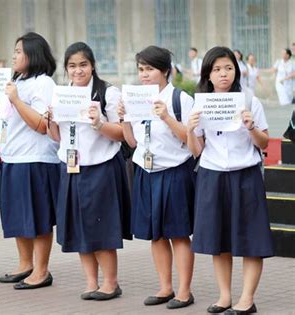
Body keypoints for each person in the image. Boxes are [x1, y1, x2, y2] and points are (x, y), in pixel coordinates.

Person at [187, 46, 274, 314]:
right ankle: (224, 296)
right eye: (216, 69)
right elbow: (196, 150)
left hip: (245, 175)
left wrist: (251, 128)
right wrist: (190, 129)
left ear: (236, 71)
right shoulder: (199, 103)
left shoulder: (249, 100)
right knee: (218, 238)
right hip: (212, 175)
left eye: (228, 68)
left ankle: (246, 299)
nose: (223, 74)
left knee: (252, 239)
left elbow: (265, 142)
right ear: (208, 75)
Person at [46, 42, 131, 301]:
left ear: (92, 65)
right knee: (80, 227)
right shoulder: (62, 93)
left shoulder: (108, 92)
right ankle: (91, 281)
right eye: (72, 66)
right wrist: (50, 120)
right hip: (71, 167)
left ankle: (111, 282)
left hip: (101, 167)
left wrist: (99, 123)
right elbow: (56, 137)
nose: (78, 71)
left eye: (83, 65)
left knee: (101, 227)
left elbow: (122, 135)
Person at [117, 45, 196, 309]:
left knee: (179, 233)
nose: (144, 75)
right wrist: (124, 118)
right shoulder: (136, 99)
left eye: (150, 69)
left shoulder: (180, 99)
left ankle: (184, 291)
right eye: (141, 69)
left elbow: (191, 139)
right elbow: (131, 142)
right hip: (146, 170)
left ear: (165, 71)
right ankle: (165, 287)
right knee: (156, 235)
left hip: (174, 171)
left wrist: (167, 117)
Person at [0, 32, 60, 290]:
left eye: (19, 51)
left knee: (38, 216)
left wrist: (15, 99)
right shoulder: (16, 81)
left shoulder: (43, 83)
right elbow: (7, 117)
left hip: (35, 158)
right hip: (13, 157)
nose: (14, 55)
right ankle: (25, 264)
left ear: (33, 54)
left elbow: (41, 124)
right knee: (17, 214)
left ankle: (41, 270)